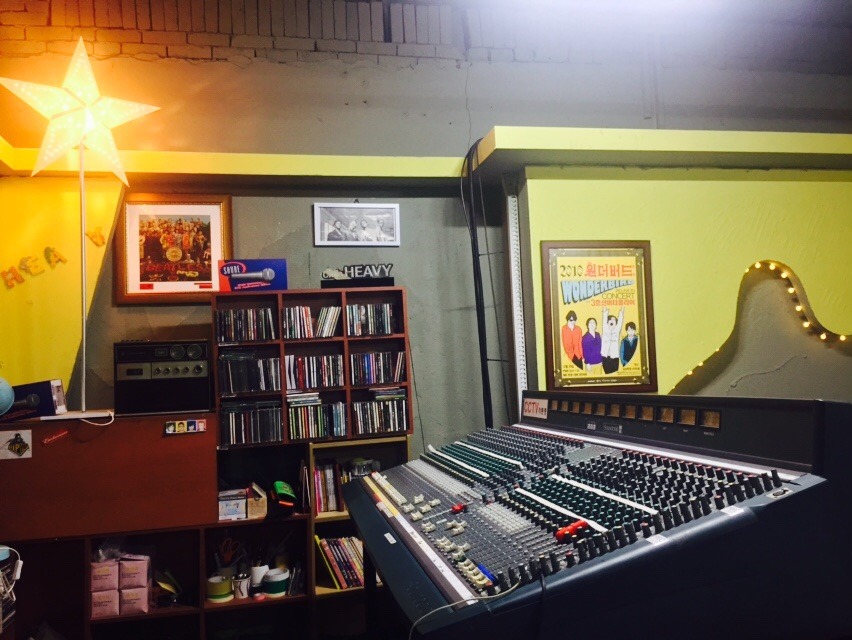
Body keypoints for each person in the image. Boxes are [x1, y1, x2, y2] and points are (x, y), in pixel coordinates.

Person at [600, 306, 625, 374]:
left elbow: (620, 320)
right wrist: (605, 309)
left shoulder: (617, 330)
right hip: (605, 357)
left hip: (615, 357)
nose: (612, 321)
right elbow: (604, 318)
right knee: (607, 373)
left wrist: (622, 310)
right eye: (610, 319)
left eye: (614, 320)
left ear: (616, 324)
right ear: (607, 322)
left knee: (615, 373)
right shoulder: (605, 329)